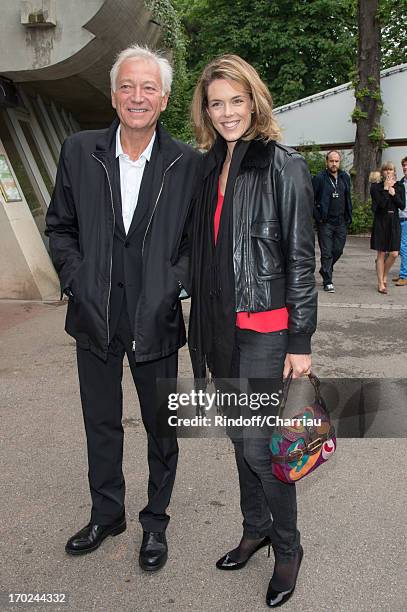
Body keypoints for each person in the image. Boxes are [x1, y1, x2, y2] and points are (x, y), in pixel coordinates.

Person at [45, 45, 200, 570]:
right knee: (101, 423)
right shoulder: (78, 151)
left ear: (164, 98)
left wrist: (172, 287)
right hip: (95, 316)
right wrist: (78, 279)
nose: (138, 97)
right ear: (113, 96)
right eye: (128, 87)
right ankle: (106, 513)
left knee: (162, 429)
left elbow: (197, 243)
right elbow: (60, 227)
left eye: (148, 87)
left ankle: (155, 523)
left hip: (155, 319)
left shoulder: (188, 165)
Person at [189, 55, 317, 607]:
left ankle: (287, 547)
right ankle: (253, 527)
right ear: (206, 109)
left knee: (263, 448)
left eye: (235, 100)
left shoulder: (284, 166)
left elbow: (300, 259)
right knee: (240, 441)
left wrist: (301, 341)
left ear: (254, 101)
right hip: (221, 328)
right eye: (216, 103)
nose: (226, 112)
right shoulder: (209, 166)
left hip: (266, 328)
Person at [313, 150, 352, 293]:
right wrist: (318, 217)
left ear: (339, 162)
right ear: (327, 162)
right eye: (331, 161)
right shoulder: (319, 178)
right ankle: (327, 281)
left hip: (341, 221)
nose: (334, 164)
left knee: (338, 250)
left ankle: (325, 269)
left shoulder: (345, 177)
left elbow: (348, 197)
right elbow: (310, 198)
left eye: (336, 161)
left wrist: (349, 216)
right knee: (327, 252)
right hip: (325, 222)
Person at [370, 162, 405, 294]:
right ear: (382, 172)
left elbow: (402, 205)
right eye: (385, 170)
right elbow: (379, 206)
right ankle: (380, 283)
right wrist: (385, 190)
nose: (388, 172)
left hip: (394, 221)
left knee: (394, 253)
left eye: (390, 170)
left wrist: (393, 193)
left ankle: (384, 274)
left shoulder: (399, 186)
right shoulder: (376, 187)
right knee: (381, 253)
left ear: (394, 172)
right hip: (381, 221)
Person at [392, 156, 407, 286]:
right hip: (400, 218)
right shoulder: (401, 183)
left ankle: (404, 275)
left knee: (402, 247)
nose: (405, 168)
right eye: (404, 165)